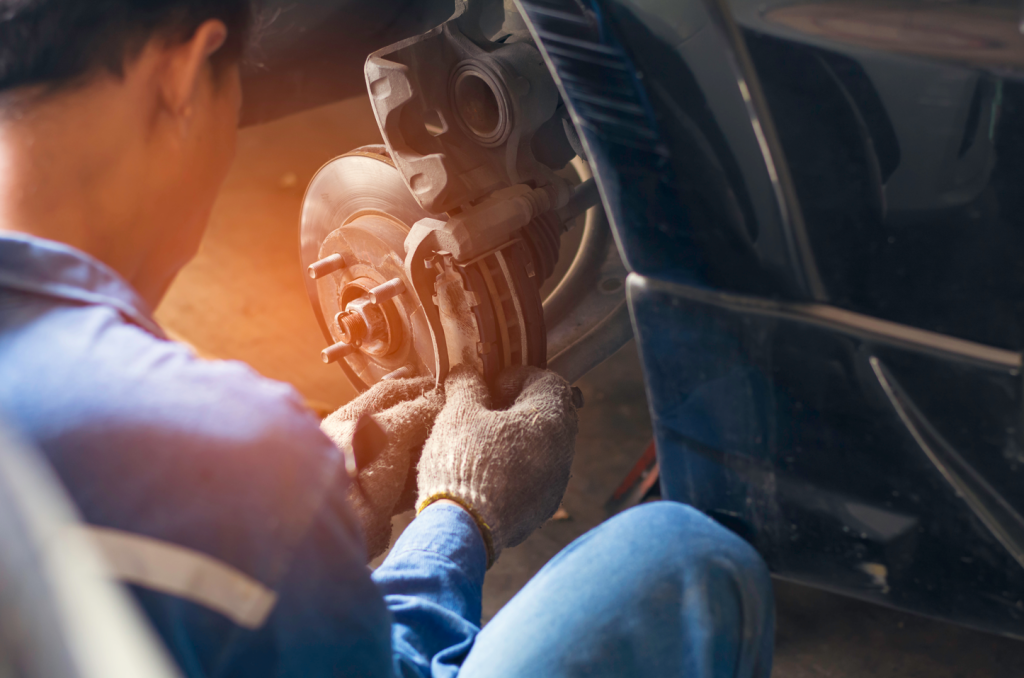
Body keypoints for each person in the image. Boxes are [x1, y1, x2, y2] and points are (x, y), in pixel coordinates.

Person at [0, 1, 775, 676]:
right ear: (184, 77)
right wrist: (456, 517)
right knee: (687, 566)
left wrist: (292, 521)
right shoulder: (211, 443)